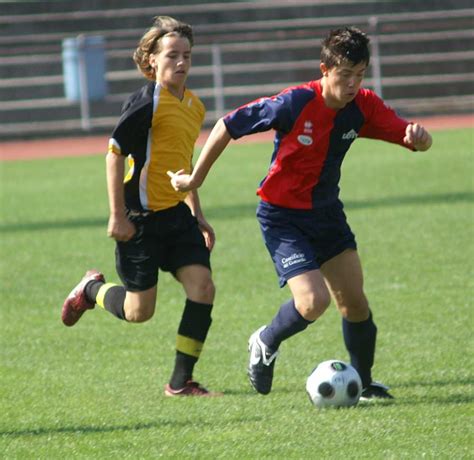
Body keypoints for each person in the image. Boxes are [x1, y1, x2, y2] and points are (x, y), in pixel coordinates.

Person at [168, 26, 433, 400]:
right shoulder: (294, 103)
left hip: (327, 215)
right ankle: (265, 339)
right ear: (325, 70)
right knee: (313, 302)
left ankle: (363, 382)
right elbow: (229, 124)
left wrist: (419, 138)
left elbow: (407, 132)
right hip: (282, 216)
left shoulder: (364, 105)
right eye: (344, 75)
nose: (353, 84)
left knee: (354, 302)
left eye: (360, 75)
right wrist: (195, 178)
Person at [61, 16, 221, 397]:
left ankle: (181, 382)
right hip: (140, 222)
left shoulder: (194, 105)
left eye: (186, 55)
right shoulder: (145, 102)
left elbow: (181, 164)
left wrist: (197, 213)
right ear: (151, 59)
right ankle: (91, 290)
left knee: (203, 288)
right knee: (138, 313)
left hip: (177, 218)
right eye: (171, 55)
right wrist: (117, 215)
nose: (180, 63)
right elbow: (113, 155)